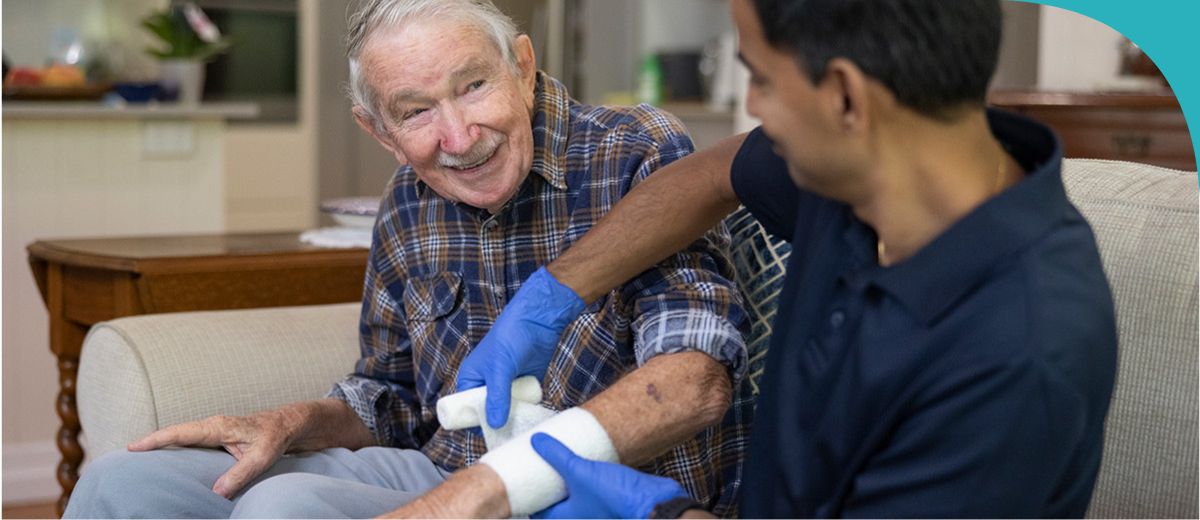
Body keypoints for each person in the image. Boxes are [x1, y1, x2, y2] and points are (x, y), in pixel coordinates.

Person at [62, 0, 754, 517]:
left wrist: (485, 490)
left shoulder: (633, 151)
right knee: (122, 484)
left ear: (522, 64)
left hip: (594, 490)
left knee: (288, 509)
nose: (458, 136)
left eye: (473, 86)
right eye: (416, 111)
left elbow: (696, 384)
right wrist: (290, 423)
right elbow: (391, 397)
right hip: (446, 471)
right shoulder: (408, 201)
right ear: (380, 130)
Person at [460, 0, 1119, 517]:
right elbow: (713, 175)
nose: (752, 108)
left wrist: (658, 514)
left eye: (762, 78)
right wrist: (553, 294)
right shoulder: (878, 162)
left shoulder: (1018, 354)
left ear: (845, 97)